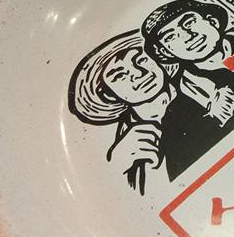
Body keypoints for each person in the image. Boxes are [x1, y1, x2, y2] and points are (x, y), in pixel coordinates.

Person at [68, 30, 222, 188]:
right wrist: (120, 165)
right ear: (108, 95)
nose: (139, 73)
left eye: (141, 60)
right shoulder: (129, 144)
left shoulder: (202, 83)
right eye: (119, 75)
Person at [142, 0, 234, 129]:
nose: (188, 36)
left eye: (189, 23)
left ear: (212, 21)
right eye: (170, 36)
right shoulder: (182, 106)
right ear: (165, 51)